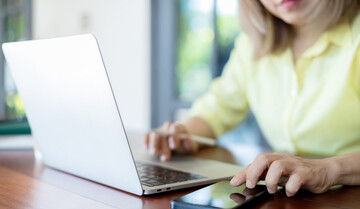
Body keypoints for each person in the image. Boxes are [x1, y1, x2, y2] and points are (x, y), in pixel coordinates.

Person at [145, 0, 360, 197]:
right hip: (291, 200)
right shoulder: (253, 43)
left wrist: (328, 169)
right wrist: (182, 133)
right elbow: (217, 108)